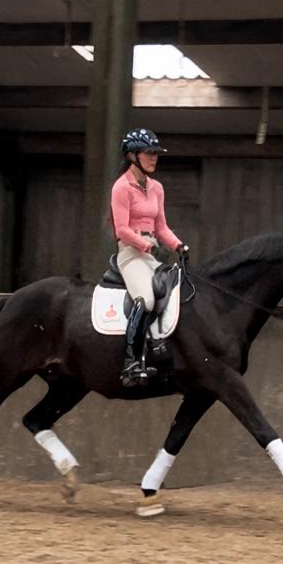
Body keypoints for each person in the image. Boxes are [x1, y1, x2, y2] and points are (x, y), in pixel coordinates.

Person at [110, 128, 187, 387]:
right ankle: (130, 362)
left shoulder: (156, 188)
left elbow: (162, 227)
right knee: (147, 297)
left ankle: (159, 344)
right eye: (149, 153)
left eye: (156, 153)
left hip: (151, 254)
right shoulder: (121, 187)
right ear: (133, 155)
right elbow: (121, 229)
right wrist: (146, 246)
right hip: (131, 255)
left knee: (175, 288)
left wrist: (179, 246)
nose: (154, 158)